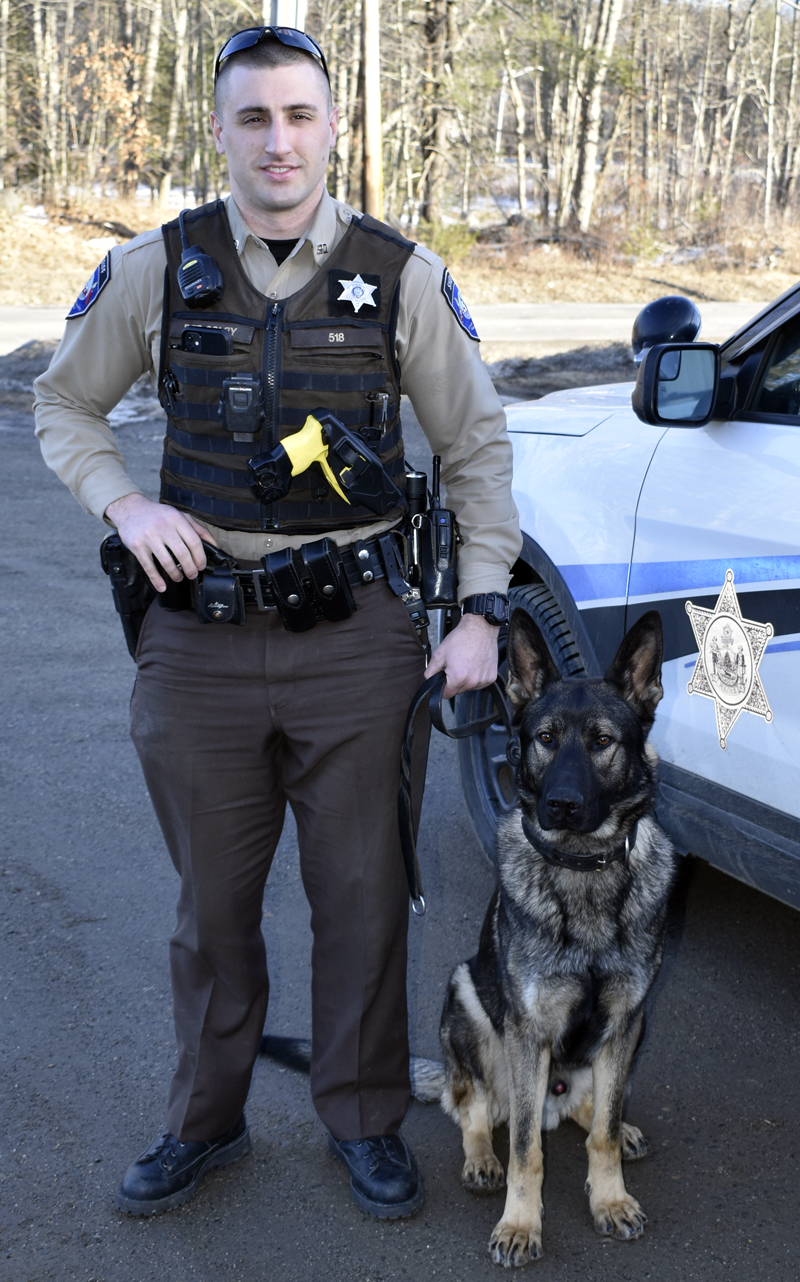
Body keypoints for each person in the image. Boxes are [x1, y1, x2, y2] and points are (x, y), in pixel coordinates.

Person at [34, 26, 521, 1221]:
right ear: (219, 132)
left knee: (359, 897)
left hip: (355, 637)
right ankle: (204, 1122)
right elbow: (62, 404)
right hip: (195, 640)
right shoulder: (156, 267)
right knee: (211, 909)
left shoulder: (396, 275)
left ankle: (360, 1117)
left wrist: (478, 610)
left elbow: (474, 449)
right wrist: (126, 498)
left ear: (331, 126)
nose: (278, 140)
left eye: (298, 115)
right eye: (252, 118)